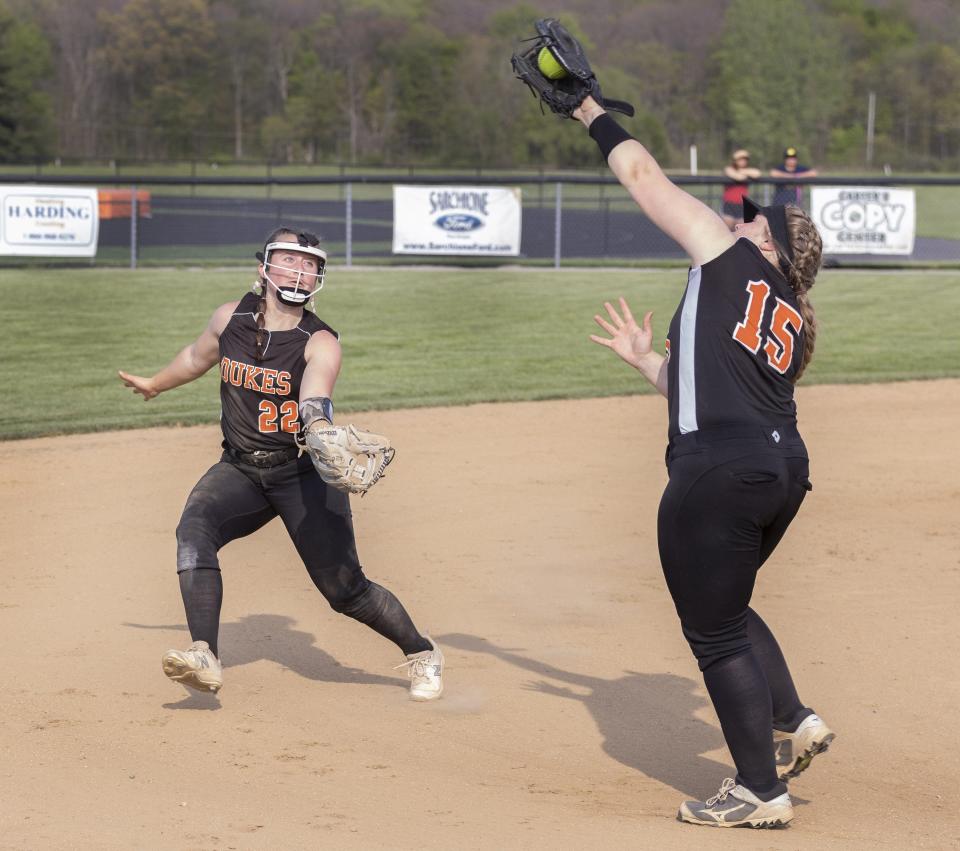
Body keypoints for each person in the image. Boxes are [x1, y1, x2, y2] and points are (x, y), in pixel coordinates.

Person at [574, 96, 834, 828]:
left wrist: (586, 109)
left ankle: (760, 789)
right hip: (782, 470)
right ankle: (795, 719)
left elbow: (640, 174)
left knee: (713, 629)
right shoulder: (779, 305)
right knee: (727, 605)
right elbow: (708, 385)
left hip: (720, 473)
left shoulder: (729, 257)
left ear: (770, 246)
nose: (738, 217)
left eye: (754, 219)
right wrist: (645, 361)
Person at [117, 228, 443, 701]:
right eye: (290, 259)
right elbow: (194, 357)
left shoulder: (321, 340)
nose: (301, 270)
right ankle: (204, 653)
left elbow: (316, 393)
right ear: (264, 266)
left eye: (310, 264)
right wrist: (155, 384)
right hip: (241, 469)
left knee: (346, 592)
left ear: (318, 277)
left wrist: (317, 426)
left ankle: (422, 652)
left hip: (301, 474)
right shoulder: (230, 318)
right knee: (194, 531)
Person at [721, 149, 762, 230]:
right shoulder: (728, 169)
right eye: (740, 159)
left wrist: (741, 171)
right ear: (735, 161)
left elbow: (757, 174)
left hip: (741, 205)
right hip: (729, 205)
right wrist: (745, 173)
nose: (743, 161)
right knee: (727, 230)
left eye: (745, 159)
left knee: (741, 231)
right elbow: (738, 177)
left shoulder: (746, 170)